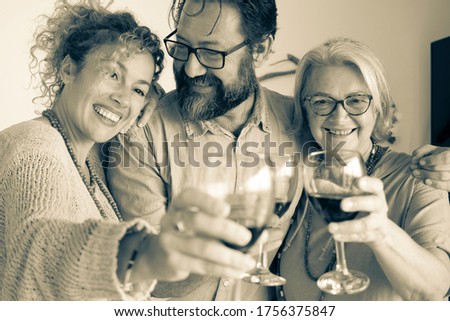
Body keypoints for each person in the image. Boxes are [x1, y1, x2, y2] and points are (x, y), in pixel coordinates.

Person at [0, 0, 257, 300]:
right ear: (69, 68)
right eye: (112, 75)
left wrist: (151, 98)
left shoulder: (90, 155)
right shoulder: (35, 148)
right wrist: (142, 253)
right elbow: (39, 246)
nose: (124, 99)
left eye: (138, 89)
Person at [106, 0, 301, 300]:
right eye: (182, 47)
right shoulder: (141, 134)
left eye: (211, 53)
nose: (192, 68)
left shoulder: (299, 123)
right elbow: (151, 276)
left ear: (260, 49)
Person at [276, 37, 450, 301]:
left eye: (356, 100)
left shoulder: (416, 179)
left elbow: (433, 290)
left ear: (378, 108)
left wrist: (381, 231)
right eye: (322, 101)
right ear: (304, 109)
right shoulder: (298, 182)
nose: (339, 116)